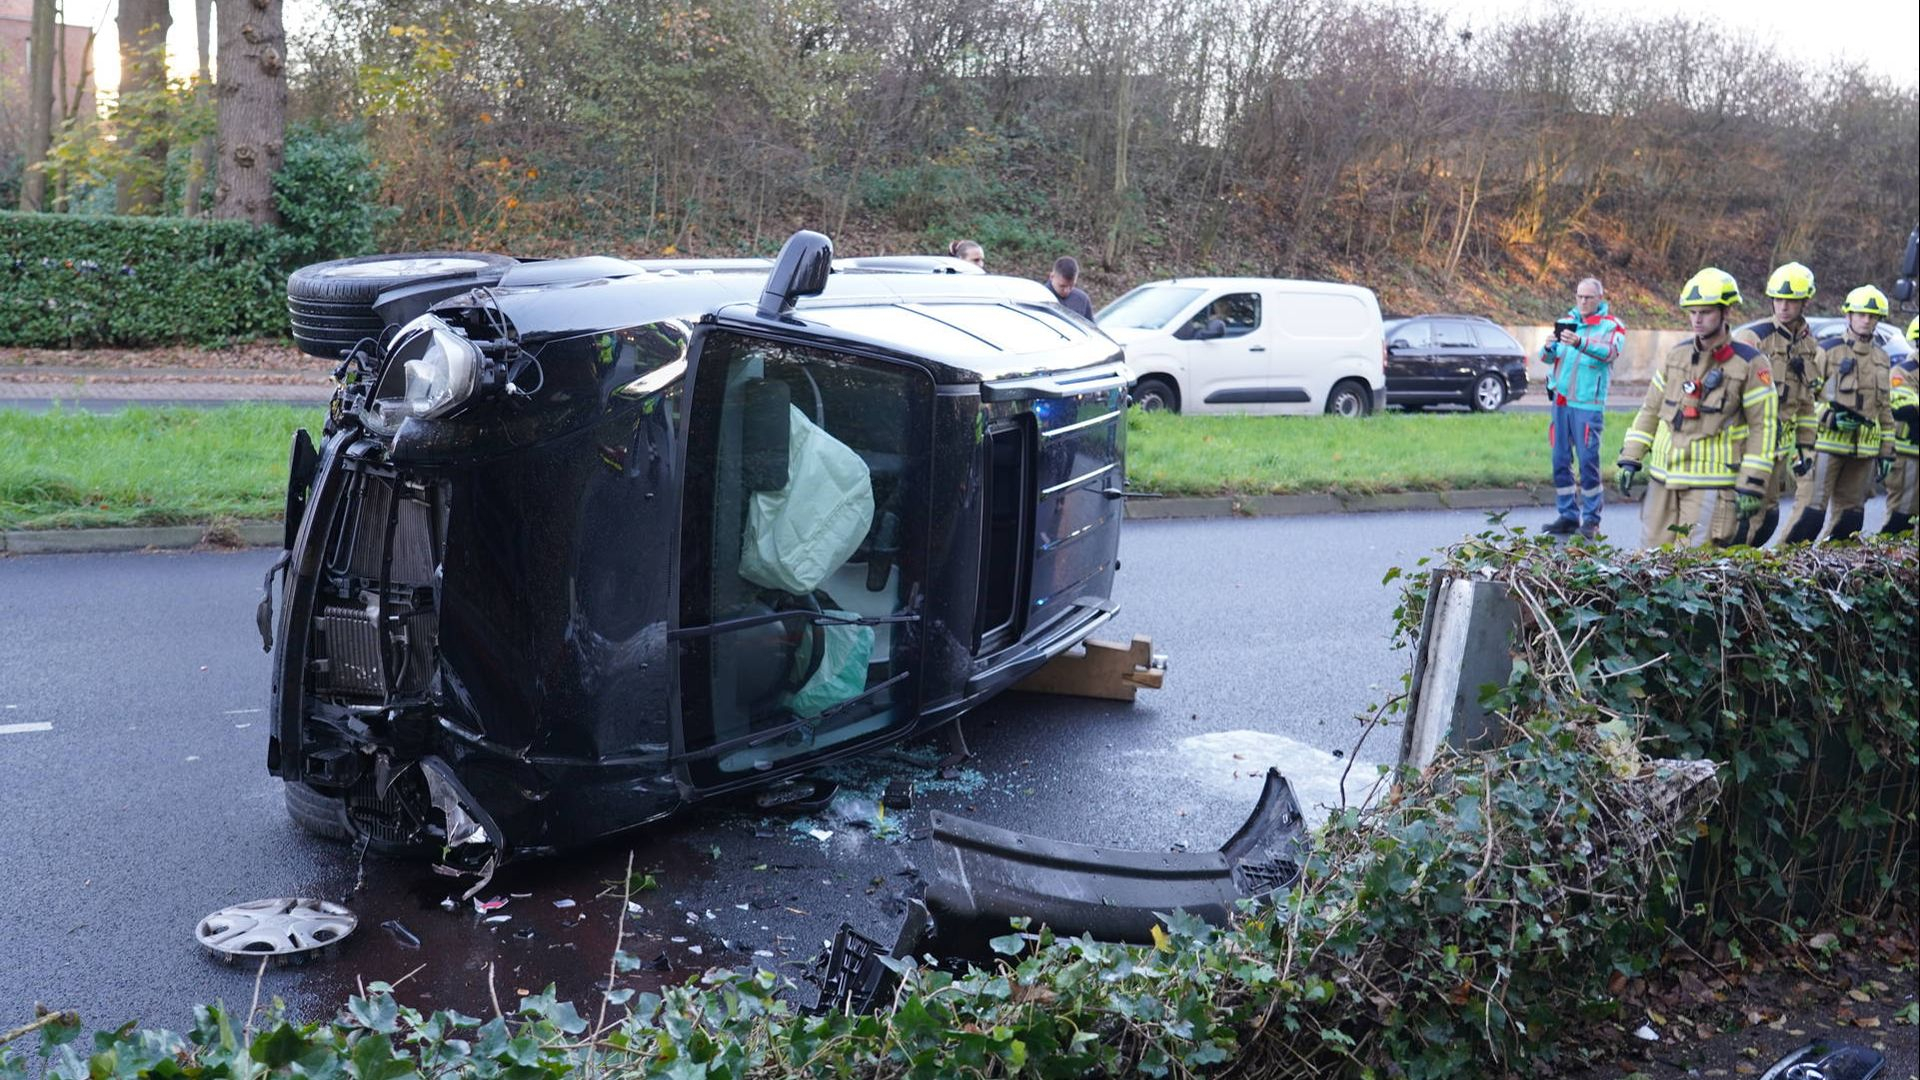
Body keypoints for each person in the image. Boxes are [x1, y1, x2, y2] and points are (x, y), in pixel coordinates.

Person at [1616, 268, 1777, 548]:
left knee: (1693, 566)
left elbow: (1763, 428)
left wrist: (1752, 482)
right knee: (1650, 561)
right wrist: (1631, 456)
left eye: (1706, 312)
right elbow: (1650, 410)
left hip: (1710, 484)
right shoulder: (1677, 356)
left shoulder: (1750, 363)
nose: (1697, 319)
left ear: (1726, 312)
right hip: (1663, 478)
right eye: (1692, 312)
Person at [1780, 286, 1896, 542]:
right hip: (1827, 446)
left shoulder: (1882, 358)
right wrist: (1829, 418)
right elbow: (1805, 397)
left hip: (1864, 452)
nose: (1866, 320)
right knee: (1810, 516)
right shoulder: (1828, 351)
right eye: (1861, 314)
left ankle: (1828, 573)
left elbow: (1885, 408)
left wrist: (1887, 450)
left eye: (1872, 316)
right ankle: (1779, 569)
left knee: (1850, 521)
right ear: (1848, 316)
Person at [1733, 262, 1822, 545]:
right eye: (1778, 299)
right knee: (1739, 518)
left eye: (1791, 301)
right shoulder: (1753, 338)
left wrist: (1806, 446)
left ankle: (1743, 575)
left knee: (1767, 517)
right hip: (1748, 443)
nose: (1783, 306)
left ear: (1805, 302)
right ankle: (1717, 574)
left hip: (1779, 445)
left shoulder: (1809, 345)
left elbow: (1806, 402)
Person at [1539, 277, 1626, 540]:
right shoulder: (1568, 320)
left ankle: (1591, 519)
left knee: (1589, 462)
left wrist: (1580, 342)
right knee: (1559, 461)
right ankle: (1567, 515)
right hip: (1561, 402)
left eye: (1588, 297)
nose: (1583, 301)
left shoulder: (1612, 326)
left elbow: (1610, 353)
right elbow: (1547, 358)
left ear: (1600, 298)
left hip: (1588, 405)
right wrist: (1548, 346)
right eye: (1579, 296)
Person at [1881, 317, 1918, 536]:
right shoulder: (1903, 372)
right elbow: (1901, 406)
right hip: (1908, 455)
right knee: (1902, 515)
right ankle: (1887, 561)